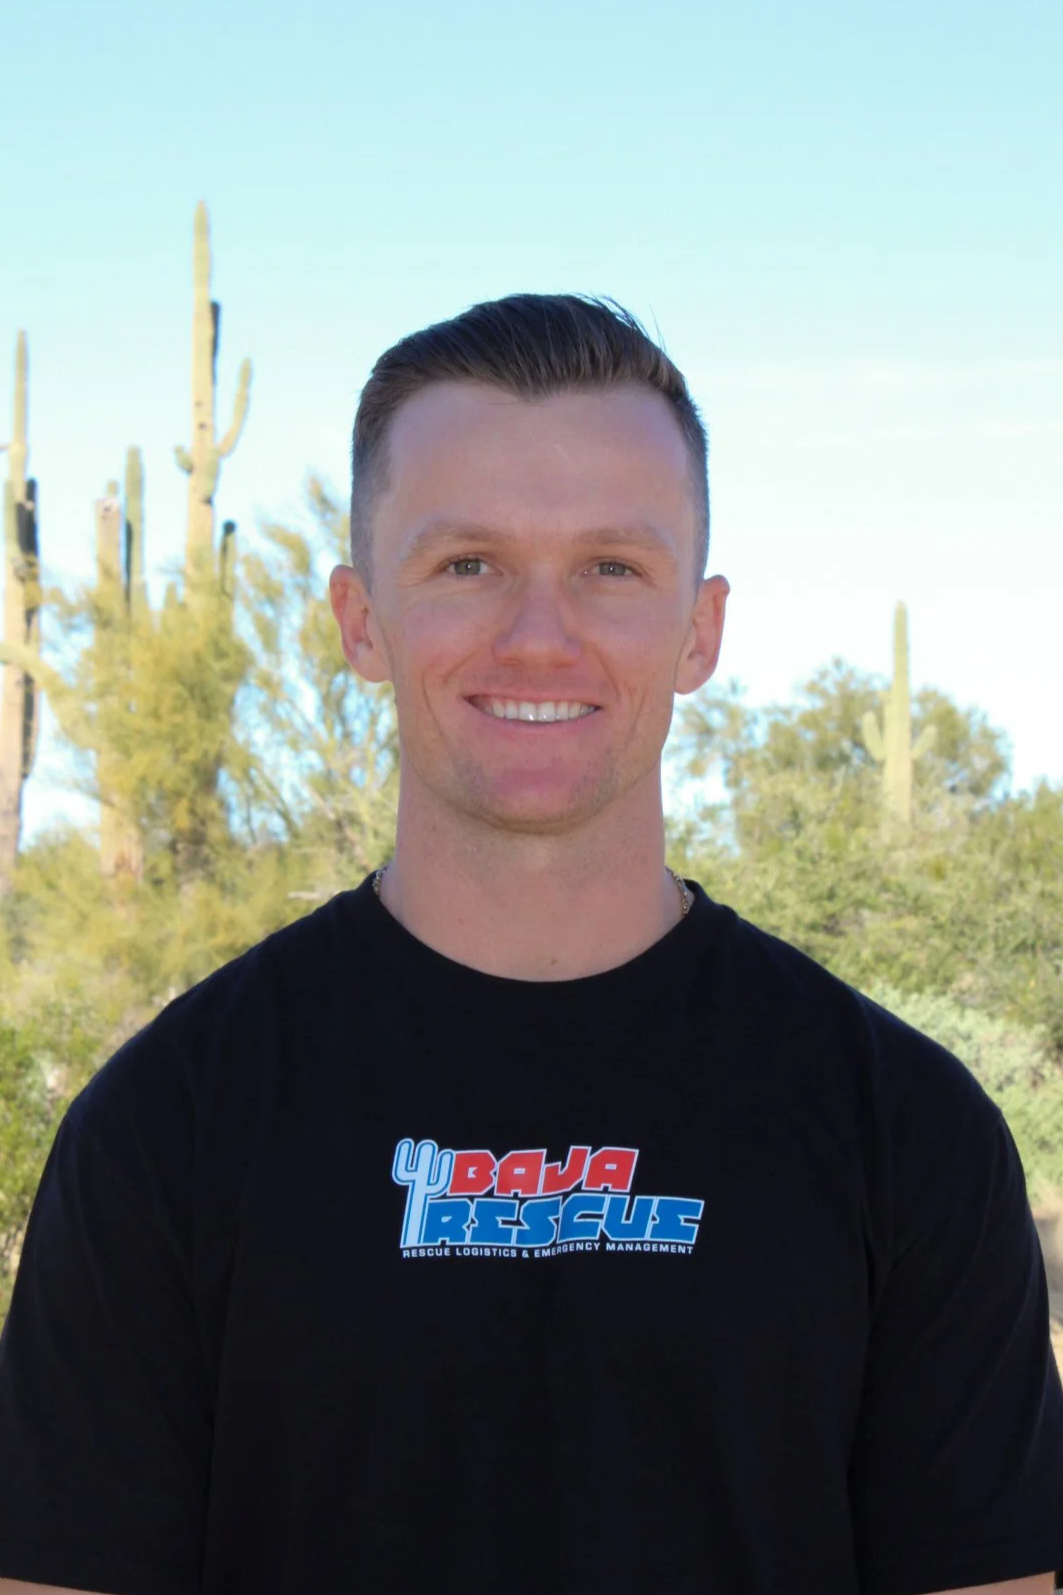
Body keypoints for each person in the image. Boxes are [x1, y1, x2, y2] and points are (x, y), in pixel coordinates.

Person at [0, 294, 1060, 1595]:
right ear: (359, 621)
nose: (539, 636)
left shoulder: (906, 1131)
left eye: (610, 567)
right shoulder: (162, 1130)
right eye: (468, 564)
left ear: (701, 630)